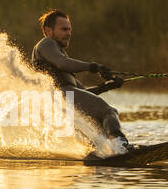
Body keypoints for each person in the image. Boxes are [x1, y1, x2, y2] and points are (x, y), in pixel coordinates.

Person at [31, 9, 133, 152]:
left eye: (69, 30)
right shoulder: (46, 44)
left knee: (100, 128)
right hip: (59, 97)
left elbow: (82, 93)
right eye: (64, 29)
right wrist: (94, 67)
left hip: (64, 100)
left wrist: (106, 86)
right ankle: (121, 145)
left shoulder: (59, 56)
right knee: (108, 111)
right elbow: (63, 63)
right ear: (48, 30)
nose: (68, 33)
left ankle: (107, 153)